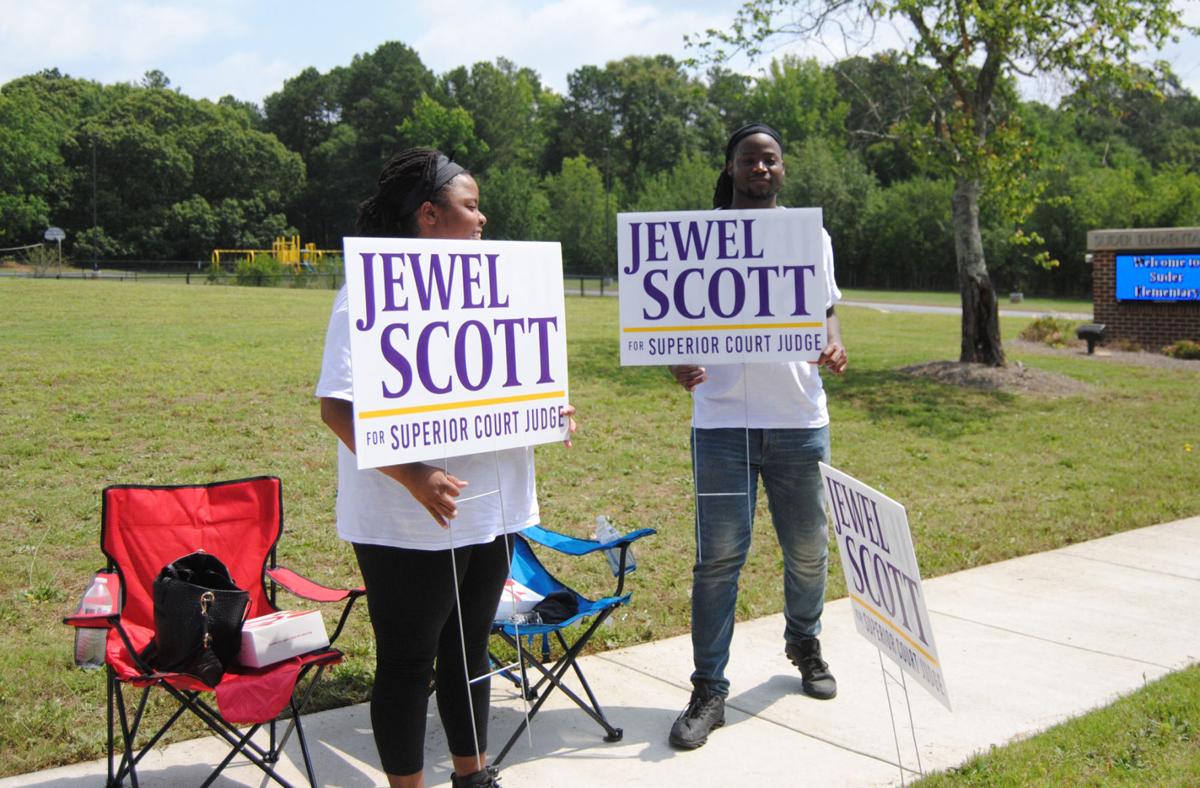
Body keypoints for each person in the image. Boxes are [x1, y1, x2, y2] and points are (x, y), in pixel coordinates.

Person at [316, 147, 576, 788]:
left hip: (489, 501)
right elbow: (336, 408)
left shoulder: (501, 283)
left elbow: (507, 370)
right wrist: (415, 476)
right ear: (429, 215)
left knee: (468, 652)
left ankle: (472, 775)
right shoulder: (368, 290)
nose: (483, 218)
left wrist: (548, 405)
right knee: (408, 662)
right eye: (470, 205)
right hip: (407, 515)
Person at [667, 123, 849, 750]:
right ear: (732, 167)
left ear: (782, 169)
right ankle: (709, 688)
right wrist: (674, 358)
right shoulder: (698, 237)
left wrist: (833, 339)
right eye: (750, 159)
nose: (761, 168)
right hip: (719, 424)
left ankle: (804, 641)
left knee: (807, 550)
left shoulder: (810, 235)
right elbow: (671, 320)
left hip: (799, 420)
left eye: (770, 159)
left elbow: (824, 308)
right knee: (718, 560)